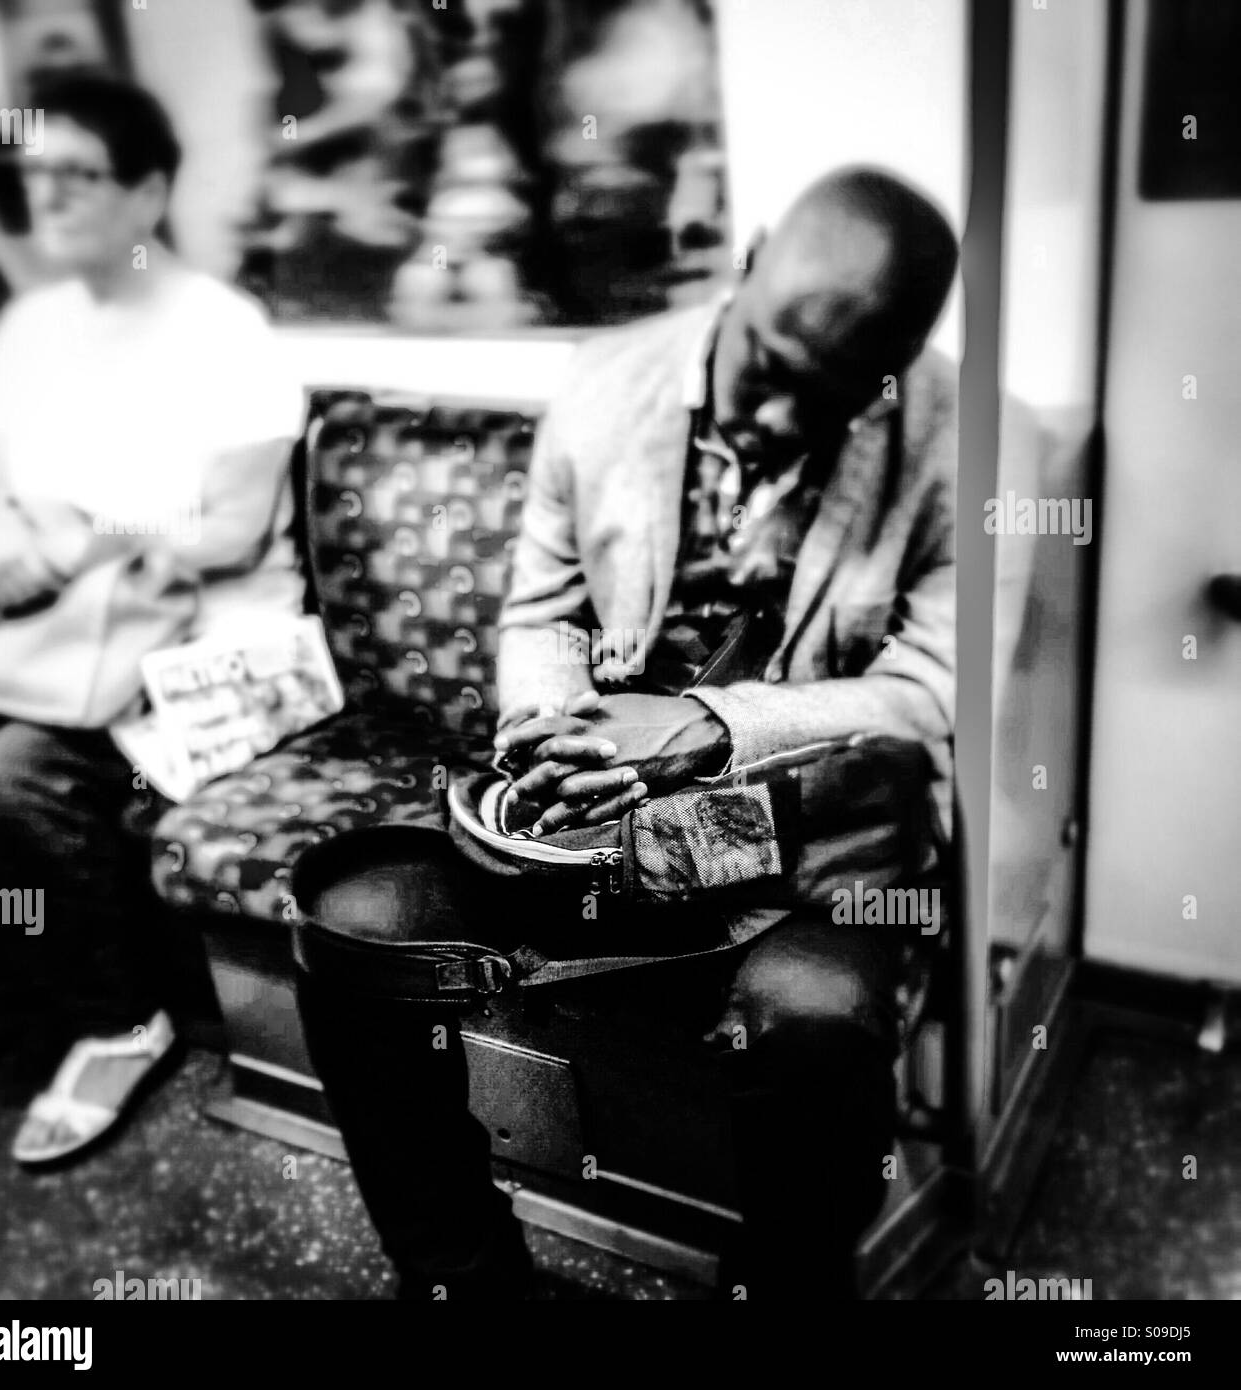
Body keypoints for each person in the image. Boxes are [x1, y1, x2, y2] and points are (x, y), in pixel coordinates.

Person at [294, 167, 959, 1299]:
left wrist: (711, 726)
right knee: (354, 929)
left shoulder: (957, 441)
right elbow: (543, 614)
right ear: (746, 268)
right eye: (776, 374)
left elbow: (932, 693)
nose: (781, 422)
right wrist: (555, 733)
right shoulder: (606, 384)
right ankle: (464, 1275)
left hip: (792, 846)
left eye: (838, 397)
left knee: (816, 1018)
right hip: (598, 836)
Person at [0, 75, 303, 1161]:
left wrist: (80, 538)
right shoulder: (38, 327)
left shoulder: (222, 331)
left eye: (79, 174)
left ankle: (118, 1020)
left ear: (148, 195)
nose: (48, 195)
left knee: (14, 775)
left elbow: (228, 524)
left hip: (199, 636)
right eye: (34, 174)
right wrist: (5, 553)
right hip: (61, 633)